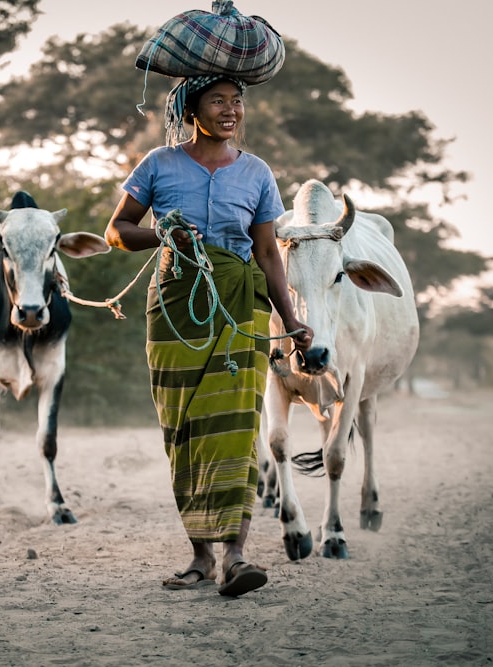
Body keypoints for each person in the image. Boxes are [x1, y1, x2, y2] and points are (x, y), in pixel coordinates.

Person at [104, 75, 313, 597]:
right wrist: (162, 233)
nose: (230, 110)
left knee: (237, 429)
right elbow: (117, 231)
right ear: (189, 107)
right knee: (185, 433)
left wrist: (291, 322)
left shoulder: (257, 173)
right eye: (217, 100)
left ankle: (236, 556)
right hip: (176, 309)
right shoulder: (158, 164)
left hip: (240, 309)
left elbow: (267, 254)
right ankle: (199, 556)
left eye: (236, 101)